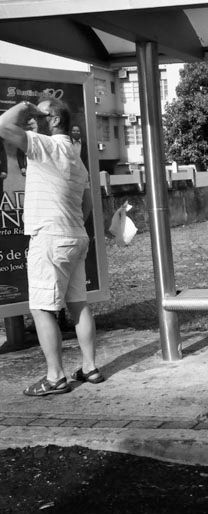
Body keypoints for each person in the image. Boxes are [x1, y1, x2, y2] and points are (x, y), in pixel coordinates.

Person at [0, 98, 104, 396]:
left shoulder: (44, 145)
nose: (32, 118)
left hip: (50, 238)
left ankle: (55, 377)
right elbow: (85, 202)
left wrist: (22, 105)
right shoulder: (74, 154)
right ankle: (90, 367)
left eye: (39, 114)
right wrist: (71, 226)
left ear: (55, 120)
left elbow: (2, 126)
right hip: (75, 236)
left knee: (41, 308)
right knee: (78, 304)